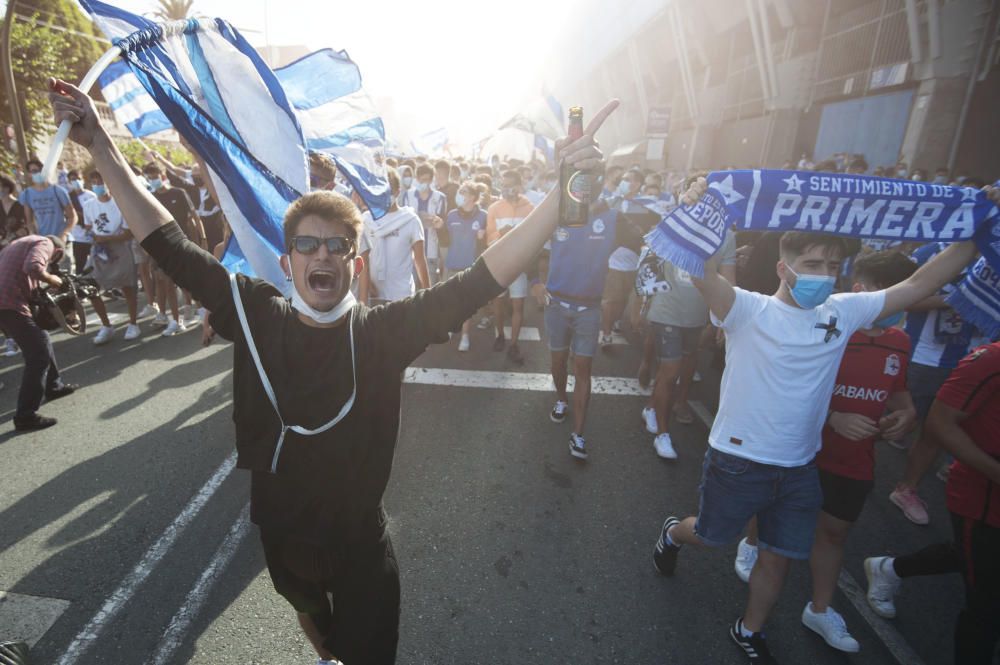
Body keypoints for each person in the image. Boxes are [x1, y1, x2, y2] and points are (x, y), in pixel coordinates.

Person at [49, 75, 615, 665]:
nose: (322, 255)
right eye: (308, 245)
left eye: (337, 247)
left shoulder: (379, 333)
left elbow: (481, 279)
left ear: (355, 261)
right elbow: (167, 243)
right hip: (281, 539)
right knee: (312, 618)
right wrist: (102, 148)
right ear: (287, 260)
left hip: (359, 551)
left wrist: (559, 196)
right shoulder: (257, 314)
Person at [651, 190, 980, 663]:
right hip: (739, 461)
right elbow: (700, 268)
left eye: (832, 266)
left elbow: (918, 284)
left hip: (800, 467)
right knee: (710, 535)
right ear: (784, 269)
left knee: (778, 554)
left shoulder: (842, 312)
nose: (824, 275)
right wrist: (696, 210)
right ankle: (672, 532)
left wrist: (975, 229)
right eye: (811, 264)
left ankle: (749, 629)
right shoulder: (747, 309)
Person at [733, 251, 918, 654]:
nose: (895, 307)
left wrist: (905, 413)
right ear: (861, 292)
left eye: (904, 298)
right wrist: (833, 416)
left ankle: (819, 609)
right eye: (889, 296)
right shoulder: (826, 327)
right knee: (771, 522)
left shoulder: (900, 342)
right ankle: (750, 546)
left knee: (833, 534)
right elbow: (783, 385)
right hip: (800, 451)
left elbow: (897, 393)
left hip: (854, 459)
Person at [864, 341, 1000, 665]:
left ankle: (889, 568)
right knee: (988, 607)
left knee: (974, 560)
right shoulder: (990, 359)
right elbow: (939, 423)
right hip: (983, 501)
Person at [541, 201, 657, 460]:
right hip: (556, 305)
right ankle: (561, 399)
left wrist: (642, 293)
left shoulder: (613, 218)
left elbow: (647, 242)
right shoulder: (558, 211)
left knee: (583, 369)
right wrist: (537, 283)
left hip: (589, 309)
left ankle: (579, 435)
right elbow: (536, 250)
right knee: (558, 362)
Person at [889, 241, 983, 525]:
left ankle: (906, 489)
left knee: (937, 431)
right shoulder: (931, 253)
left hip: (974, 358)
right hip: (926, 358)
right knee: (897, 422)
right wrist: (959, 299)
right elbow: (902, 298)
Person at [641, 226, 736, 459]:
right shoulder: (676, 221)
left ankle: (651, 407)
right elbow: (648, 260)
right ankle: (663, 435)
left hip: (696, 315)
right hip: (666, 310)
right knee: (670, 372)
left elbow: (729, 281)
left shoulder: (728, 236)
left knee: (679, 368)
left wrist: (726, 318)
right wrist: (640, 303)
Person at [0, 233, 78, 430]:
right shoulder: (44, 243)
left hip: (6, 299)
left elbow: (23, 273)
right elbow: (33, 268)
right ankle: (25, 415)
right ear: (58, 251)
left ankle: (54, 386)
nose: (51, 263)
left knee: (42, 337)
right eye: (54, 260)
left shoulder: (19, 242)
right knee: (38, 354)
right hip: (9, 302)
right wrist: (55, 281)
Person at [141, 162, 204, 336]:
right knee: (166, 283)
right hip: (162, 248)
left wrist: (200, 241)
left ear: (163, 176)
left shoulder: (179, 193)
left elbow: (193, 219)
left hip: (183, 244)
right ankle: (176, 321)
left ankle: (202, 311)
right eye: (150, 178)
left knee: (189, 281)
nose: (153, 180)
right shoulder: (150, 198)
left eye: (156, 177)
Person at [83, 170, 141, 344]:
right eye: (94, 182)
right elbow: (88, 227)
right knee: (90, 287)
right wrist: (95, 237)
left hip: (119, 249)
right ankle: (106, 326)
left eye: (100, 181)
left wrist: (108, 238)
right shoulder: (88, 205)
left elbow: (128, 233)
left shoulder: (120, 203)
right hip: (99, 250)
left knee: (127, 287)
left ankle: (133, 323)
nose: (97, 185)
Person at [486, 170, 534, 365]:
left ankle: (513, 344)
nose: (507, 189)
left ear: (519, 185)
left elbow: (533, 238)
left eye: (510, 185)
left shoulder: (530, 207)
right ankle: (499, 334)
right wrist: (499, 233)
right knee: (497, 303)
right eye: (503, 185)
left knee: (518, 305)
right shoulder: (494, 207)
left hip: (520, 265)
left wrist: (518, 235)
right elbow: (488, 238)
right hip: (499, 264)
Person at [362, 168, 430, 304]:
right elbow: (362, 260)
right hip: (374, 295)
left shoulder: (411, 220)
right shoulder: (367, 220)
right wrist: (367, 287)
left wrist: (428, 294)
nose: (384, 197)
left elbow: (420, 260)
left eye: (389, 192)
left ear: (398, 191)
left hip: (402, 295)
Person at [599, 167, 644, 349]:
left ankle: (616, 320)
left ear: (638, 184)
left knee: (623, 298)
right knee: (611, 299)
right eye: (623, 179)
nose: (625, 182)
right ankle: (607, 332)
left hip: (634, 261)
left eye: (630, 179)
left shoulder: (645, 208)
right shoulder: (609, 203)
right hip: (613, 260)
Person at [443, 181, 487, 351]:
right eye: (460, 191)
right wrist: (440, 228)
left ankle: (465, 335)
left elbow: (488, 242)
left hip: (471, 266)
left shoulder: (484, 215)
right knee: (452, 300)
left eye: (464, 192)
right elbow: (445, 240)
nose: (460, 194)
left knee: (466, 303)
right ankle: (452, 327)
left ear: (474, 198)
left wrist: (482, 238)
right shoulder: (452, 214)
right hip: (452, 264)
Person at [401, 164, 447, 285]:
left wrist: (439, 224)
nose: (423, 183)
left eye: (426, 180)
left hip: (431, 251)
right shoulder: (408, 195)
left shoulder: (440, 197)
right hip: (411, 251)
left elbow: (443, 224)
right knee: (411, 290)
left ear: (431, 180)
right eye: (421, 180)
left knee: (430, 290)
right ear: (417, 179)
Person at [19, 159, 76, 241]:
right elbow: (29, 221)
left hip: (61, 239)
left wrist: (64, 234)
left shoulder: (58, 190)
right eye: (34, 171)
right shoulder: (27, 194)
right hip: (42, 240)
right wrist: (33, 233)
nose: (38, 173)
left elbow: (73, 217)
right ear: (29, 174)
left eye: (40, 170)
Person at [66, 169, 96, 273]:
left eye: (78, 179)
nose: (76, 181)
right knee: (80, 266)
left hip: (94, 236)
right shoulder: (69, 198)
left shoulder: (91, 195)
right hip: (78, 237)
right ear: (69, 183)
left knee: (95, 265)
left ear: (83, 179)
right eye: (73, 180)